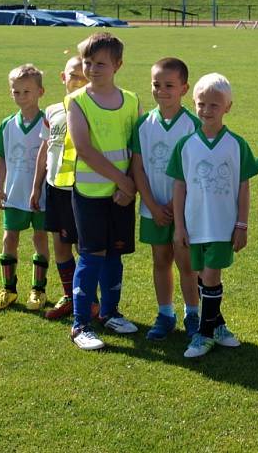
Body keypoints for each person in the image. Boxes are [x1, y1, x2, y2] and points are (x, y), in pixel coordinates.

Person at [167, 73, 258, 358]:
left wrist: (242, 224)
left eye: (214, 106)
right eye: (201, 104)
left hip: (222, 226)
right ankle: (217, 326)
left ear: (228, 107)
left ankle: (203, 335)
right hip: (194, 225)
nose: (206, 111)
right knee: (201, 276)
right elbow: (179, 188)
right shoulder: (185, 145)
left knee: (210, 275)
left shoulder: (236, 144)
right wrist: (179, 226)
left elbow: (244, 187)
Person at [65, 33, 141, 350]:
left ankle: (109, 313)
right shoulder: (77, 101)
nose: (92, 69)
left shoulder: (133, 101)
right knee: (91, 255)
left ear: (117, 65)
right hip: (90, 194)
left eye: (100, 63)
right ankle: (81, 324)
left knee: (115, 254)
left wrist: (129, 185)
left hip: (122, 195)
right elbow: (84, 149)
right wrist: (123, 181)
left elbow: (135, 149)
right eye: (87, 62)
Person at [132, 58, 201, 340]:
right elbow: (137, 168)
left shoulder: (193, 126)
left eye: (169, 85)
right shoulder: (143, 125)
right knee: (160, 260)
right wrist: (151, 205)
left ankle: (193, 314)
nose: (162, 90)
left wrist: (175, 209)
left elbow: (194, 175)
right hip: (154, 209)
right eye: (156, 84)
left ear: (184, 88)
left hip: (185, 213)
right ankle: (165, 314)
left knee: (187, 264)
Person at [28, 55, 91, 319]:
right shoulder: (52, 110)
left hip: (81, 189)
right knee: (60, 245)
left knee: (84, 247)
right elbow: (45, 150)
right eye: (71, 75)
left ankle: (89, 299)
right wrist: (37, 186)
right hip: (55, 188)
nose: (76, 80)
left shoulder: (91, 107)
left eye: (81, 75)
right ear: (62, 77)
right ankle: (69, 295)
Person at [0, 64, 50, 311]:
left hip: (42, 195)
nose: (21, 97)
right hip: (14, 193)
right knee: (9, 238)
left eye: (27, 91)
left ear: (40, 92)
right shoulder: (7, 124)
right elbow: (1, 157)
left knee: (40, 238)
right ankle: (9, 289)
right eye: (16, 92)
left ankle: (38, 290)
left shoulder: (47, 122)